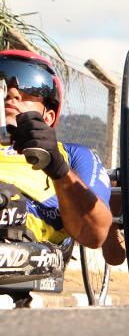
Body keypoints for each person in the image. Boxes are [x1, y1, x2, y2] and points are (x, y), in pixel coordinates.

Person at [0, 50, 112, 249]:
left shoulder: (73, 155)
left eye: (30, 88)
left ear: (48, 117)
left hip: (20, 224)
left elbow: (95, 233)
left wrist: (57, 167)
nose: (12, 93)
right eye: (3, 84)